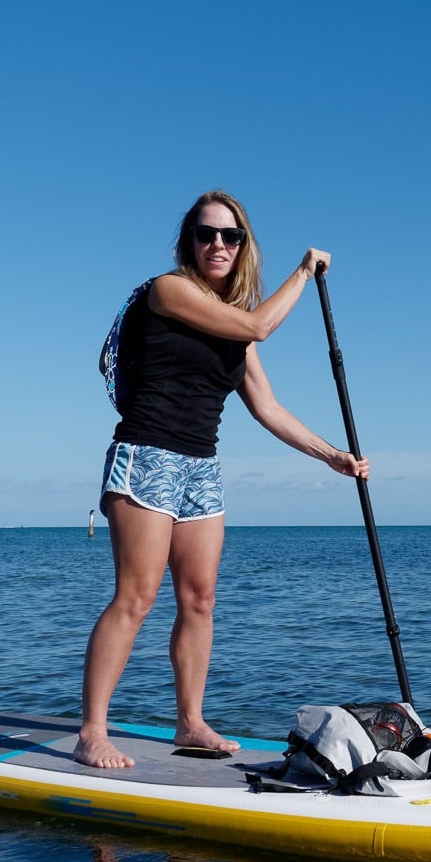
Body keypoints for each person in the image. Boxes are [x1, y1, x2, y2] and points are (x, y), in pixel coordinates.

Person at [75, 190, 368, 769]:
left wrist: (330, 455)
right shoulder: (168, 291)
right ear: (189, 241)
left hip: (201, 468)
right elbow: (261, 325)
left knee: (200, 600)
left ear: (241, 246)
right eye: (206, 234)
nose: (217, 244)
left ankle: (190, 723)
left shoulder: (231, 328)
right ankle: (91, 731)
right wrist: (306, 270)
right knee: (136, 598)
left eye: (230, 236)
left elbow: (268, 407)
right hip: (147, 455)